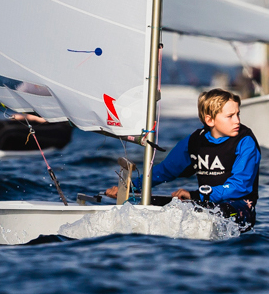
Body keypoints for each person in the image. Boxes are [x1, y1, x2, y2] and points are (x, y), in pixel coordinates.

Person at [107, 87, 261, 226]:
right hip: (204, 203)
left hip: (240, 207)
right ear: (210, 120)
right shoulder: (195, 142)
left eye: (238, 114)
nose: (237, 121)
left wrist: (195, 195)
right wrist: (130, 189)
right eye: (230, 116)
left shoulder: (245, 142)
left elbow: (240, 186)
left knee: (219, 210)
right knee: (143, 203)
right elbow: (165, 172)